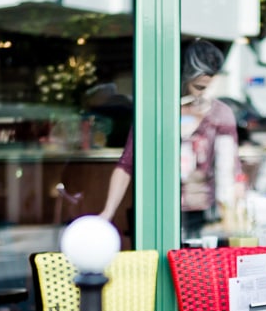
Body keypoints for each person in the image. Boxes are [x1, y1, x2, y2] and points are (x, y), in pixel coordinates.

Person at [100, 39, 239, 242]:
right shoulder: (157, 111)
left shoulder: (220, 114)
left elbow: (231, 168)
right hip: (157, 211)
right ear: (183, 76)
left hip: (202, 215)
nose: (203, 92)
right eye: (198, 86)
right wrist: (107, 212)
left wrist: (232, 215)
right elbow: (127, 163)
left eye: (208, 85)